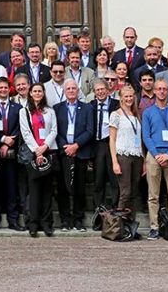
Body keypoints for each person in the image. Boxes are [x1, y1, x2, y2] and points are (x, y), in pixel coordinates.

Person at [141, 79, 168, 240]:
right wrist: (156, 154)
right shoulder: (148, 112)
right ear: (154, 91)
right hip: (154, 155)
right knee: (153, 195)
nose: (161, 92)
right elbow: (146, 135)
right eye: (158, 89)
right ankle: (154, 227)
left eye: (164, 89)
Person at [54, 79, 94, 232]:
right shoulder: (57, 108)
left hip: (80, 152)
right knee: (63, 187)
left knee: (79, 188)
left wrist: (76, 145)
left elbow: (90, 130)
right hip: (63, 152)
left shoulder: (86, 108)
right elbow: (54, 130)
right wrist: (66, 147)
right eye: (68, 88)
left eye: (74, 88)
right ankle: (65, 220)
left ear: (78, 91)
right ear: (64, 91)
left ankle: (78, 219)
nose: (71, 91)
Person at [19, 82, 58, 237]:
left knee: (47, 190)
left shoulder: (50, 111)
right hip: (33, 153)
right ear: (30, 93)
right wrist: (37, 150)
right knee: (34, 190)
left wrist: (44, 147)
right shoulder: (24, 111)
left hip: (48, 151)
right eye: (34, 91)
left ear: (43, 93)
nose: (37, 93)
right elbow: (26, 132)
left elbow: (54, 130)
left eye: (39, 91)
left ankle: (46, 223)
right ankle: (33, 223)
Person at [0, 77, 23, 231]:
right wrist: (2, 140)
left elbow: (21, 127)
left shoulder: (18, 107)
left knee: (12, 187)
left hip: (13, 152)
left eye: (5, 88)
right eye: (0, 88)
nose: (3, 90)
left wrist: (10, 141)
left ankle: (13, 220)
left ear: (10, 89)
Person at [109, 85, 143, 217]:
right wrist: (114, 162)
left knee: (134, 192)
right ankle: (120, 225)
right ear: (121, 98)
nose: (129, 99)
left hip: (137, 155)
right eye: (126, 96)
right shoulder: (116, 114)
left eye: (131, 96)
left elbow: (139, 139)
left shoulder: (135, 114)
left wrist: (144, 160)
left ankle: (131, 224)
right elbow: (112, 139)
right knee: (125, 192)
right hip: (123, 155)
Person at [89, 79, 120, 210]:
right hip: (98, 144)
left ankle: (115, 209)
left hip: (114, 143)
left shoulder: (117, 104)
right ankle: (99, 211)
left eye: (102, 89)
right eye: (97, 90)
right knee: (98, 180)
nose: (100, 92)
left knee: (115, 180)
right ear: (94, 93)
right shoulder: (90, 105)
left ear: (108, 90)